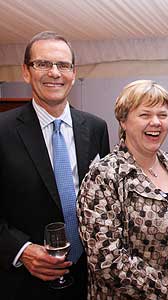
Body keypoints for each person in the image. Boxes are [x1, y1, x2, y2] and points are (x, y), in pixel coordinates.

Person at [0, 31, 110, 300]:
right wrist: (21, 250)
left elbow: (105, 200)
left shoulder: (96, 128)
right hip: (24, 282)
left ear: (73, 73)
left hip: (89, 278)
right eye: (43, 64)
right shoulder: (3, 131)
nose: (54, 73)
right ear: (26, 72)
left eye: (62, 65)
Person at [77, 80, 168, 299]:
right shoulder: (104, 175)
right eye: (145, 115)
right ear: (123, 121)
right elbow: (105, 261)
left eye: (163, 115)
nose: (156, 122)